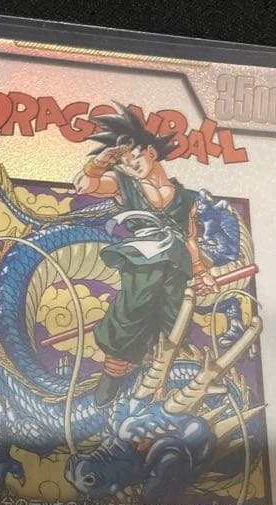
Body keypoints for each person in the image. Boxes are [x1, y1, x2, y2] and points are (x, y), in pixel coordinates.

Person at [73, 103, 217, 406]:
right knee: (129, 317)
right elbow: (85, 185)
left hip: (176, 268)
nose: (130, 166)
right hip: (143, 264)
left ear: (151, 151)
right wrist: (101, 161)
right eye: (123, 163)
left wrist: (201, 273)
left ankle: (153, 388)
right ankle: (110, 384)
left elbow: (190, 238)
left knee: (172, 324)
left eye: (134, 158)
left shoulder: (185, 197)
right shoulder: (122, 184)